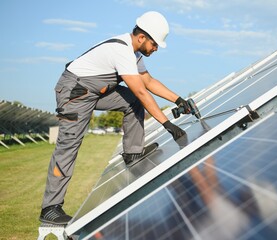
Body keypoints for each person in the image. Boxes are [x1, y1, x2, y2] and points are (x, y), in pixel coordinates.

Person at [40, 11, 191, 225]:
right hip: (74, 92)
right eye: (155, 44)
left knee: (133, 101)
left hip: (95, 91)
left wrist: (178, 100)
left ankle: (132, 153)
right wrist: (167, 124)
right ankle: (50, 207)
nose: (156, 49)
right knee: (68, 146)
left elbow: (148, 81)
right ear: (141, 37)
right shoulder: (122, 51)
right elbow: (141, 91)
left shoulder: (135, 54)